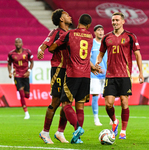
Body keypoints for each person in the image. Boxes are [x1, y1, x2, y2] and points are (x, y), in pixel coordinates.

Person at [47, 14, 100, 144]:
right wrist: (92, 67)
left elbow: (52, 48)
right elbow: (86, 56)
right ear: (88, 26)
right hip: (86, 75)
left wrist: (61, 45)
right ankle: (77, 139)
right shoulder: (90, 37)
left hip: (73, 74)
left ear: (78, 22)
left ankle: (78, 128)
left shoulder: (70, 34)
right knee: (80, 106)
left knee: (65, 103)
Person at [96, 12, 144, 140]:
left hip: (124, 74)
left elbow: (137, 55)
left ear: (123, 21)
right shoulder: (106, 38)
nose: (114, 22)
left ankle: (123, 131)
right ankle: (114, 121)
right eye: (113, 20)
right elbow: (101, 53)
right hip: (110, 75)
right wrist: (98, 61)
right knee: (108, 104)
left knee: (124, 101)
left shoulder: (130, 36)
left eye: (117, 20)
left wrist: (141, 72)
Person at [37, 9, 72, 144]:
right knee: (56, 101)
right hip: (58, 69)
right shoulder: (56, 32)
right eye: (66, 15)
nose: (69, 16)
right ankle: (45, 132)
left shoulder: (71, 34)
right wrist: (40, 51)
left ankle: (60, 132)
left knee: (67, 103)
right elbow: (44, 45)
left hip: (70, 71)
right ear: (61, 19)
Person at [7, 38, 34, 119]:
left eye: (19, 42)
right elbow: (9, 64)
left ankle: (26, 106)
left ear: (22, 44)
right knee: (21, 94)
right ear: (15, 44)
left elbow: (32, 62)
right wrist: (10, 73)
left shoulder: (27, 52)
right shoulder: (11, 54)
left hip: (25, 75)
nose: (18, 43)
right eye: (16, 42)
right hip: (17, 75)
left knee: (27, 95)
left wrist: (29, 71)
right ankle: (26, 113)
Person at [90, 24, 107, 126]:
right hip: (95, 74)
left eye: (102, 30)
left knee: (109, 95)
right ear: (95, 32)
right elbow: (88, 58)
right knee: (95, 95)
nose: (101, 32)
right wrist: (93, 68)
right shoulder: (91, 43)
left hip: (106, 74)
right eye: (98, 30)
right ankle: (96, 118)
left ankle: (111, 118)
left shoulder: (106, 43)